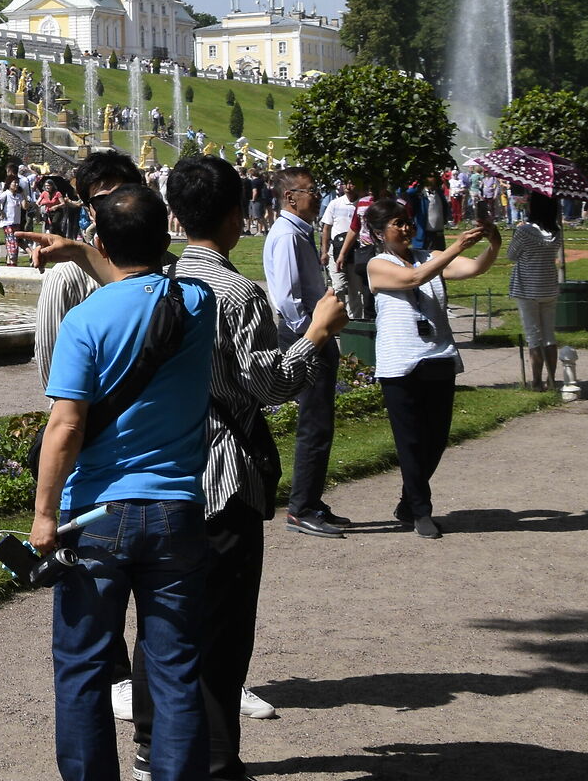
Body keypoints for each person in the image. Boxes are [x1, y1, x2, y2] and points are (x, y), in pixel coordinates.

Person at [140, 155, 346, 777]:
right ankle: (216, 761)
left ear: (177, 215)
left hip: (162, 469)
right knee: (224, 630)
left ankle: (158, 748)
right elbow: (268, 384)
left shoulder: (158, 282)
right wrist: (316, 333)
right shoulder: (236, 293)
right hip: (223, 474)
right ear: (236, 216)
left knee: (167, 620)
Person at [23, 184, 219, 781]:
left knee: (83, 667)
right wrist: (95, 250)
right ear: (167, 236)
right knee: (175, 669)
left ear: (102, 244)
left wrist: (43, 516)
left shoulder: (85, 318)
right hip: (176, 509)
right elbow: (151, 286)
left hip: (96, 516)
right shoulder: (198, 303)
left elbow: (65, 426)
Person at [365, 199, 500, 537]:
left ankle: (409, 502)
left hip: (439, 357)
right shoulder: (377, 264)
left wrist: (493, 244)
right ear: (379, 233)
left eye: (408, 221)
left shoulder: (430, 257)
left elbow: (473, 268)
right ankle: (421, 510)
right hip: (400, 363)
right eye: (398, 223)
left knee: (436, 440)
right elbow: (412, 278)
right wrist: (455, 246)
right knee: (410, 441)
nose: (407, 228)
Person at [261, 166, 352, 538]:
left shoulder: (299, 231)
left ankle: (311, 500)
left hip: (315, 333)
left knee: (321, 421)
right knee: (314, 424)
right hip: (307, 335)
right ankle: (301, 508)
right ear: (290, 197)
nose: (317, 196)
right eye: (311, 191)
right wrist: (313, 335)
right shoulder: (287, 235)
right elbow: (287, 297)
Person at [34, 150, 145, 397]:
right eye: (103, 200)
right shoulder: (66, 277)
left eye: (124, 196)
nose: (117, 207)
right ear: (88, 209)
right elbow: (52, 370)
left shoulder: (169, 266)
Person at [506, 187, 567, 390]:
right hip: (548, 286)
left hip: (527, 287)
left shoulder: (524, 231)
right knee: (549, 335)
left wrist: (518, 231)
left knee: (533, 336)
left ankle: (537, 381)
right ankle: (551, 379)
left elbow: (511, 255)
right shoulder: (556, 231)